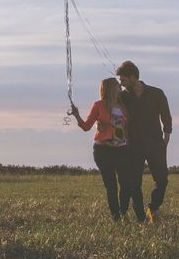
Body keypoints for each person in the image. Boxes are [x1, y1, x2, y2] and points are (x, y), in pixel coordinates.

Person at [116, 61, 172, 223]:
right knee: (135, 183)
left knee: (162, 180)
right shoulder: (123, 97)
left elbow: (166, 117)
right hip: (133, 145)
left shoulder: (156, 93)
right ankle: (141, 217)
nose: (121, 83)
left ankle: (153, 208)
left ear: (133, 77)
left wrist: (166, 139)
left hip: (156, 143)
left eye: (123, 80)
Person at [70, 78, 133, 221]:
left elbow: (128, 126)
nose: (120, 87)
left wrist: (128, 141)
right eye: (118, 86)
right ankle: (116, 217)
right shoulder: (98, 105)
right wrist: (76, 114)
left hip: (122, 149)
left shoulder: (123, 105)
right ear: (111, 88)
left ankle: (123, 212)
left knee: (126, 184)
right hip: (103, 149)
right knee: (111, 186)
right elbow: (86, 127)